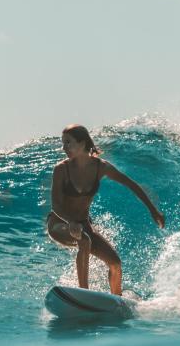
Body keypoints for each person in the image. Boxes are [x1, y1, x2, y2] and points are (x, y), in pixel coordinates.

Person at [46, 123, 165, 295]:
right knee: (84, 240)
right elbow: (56, 205)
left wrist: (153, 210)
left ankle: (118, 299)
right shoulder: (61, 169)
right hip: (59, 223)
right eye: (63, 143)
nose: (63, 147)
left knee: (115, 263)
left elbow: (132, 185)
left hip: (83, 225)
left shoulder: (101, 167)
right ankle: (84, 294)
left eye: (68, 143)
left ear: (82, 143)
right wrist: (70, 222)